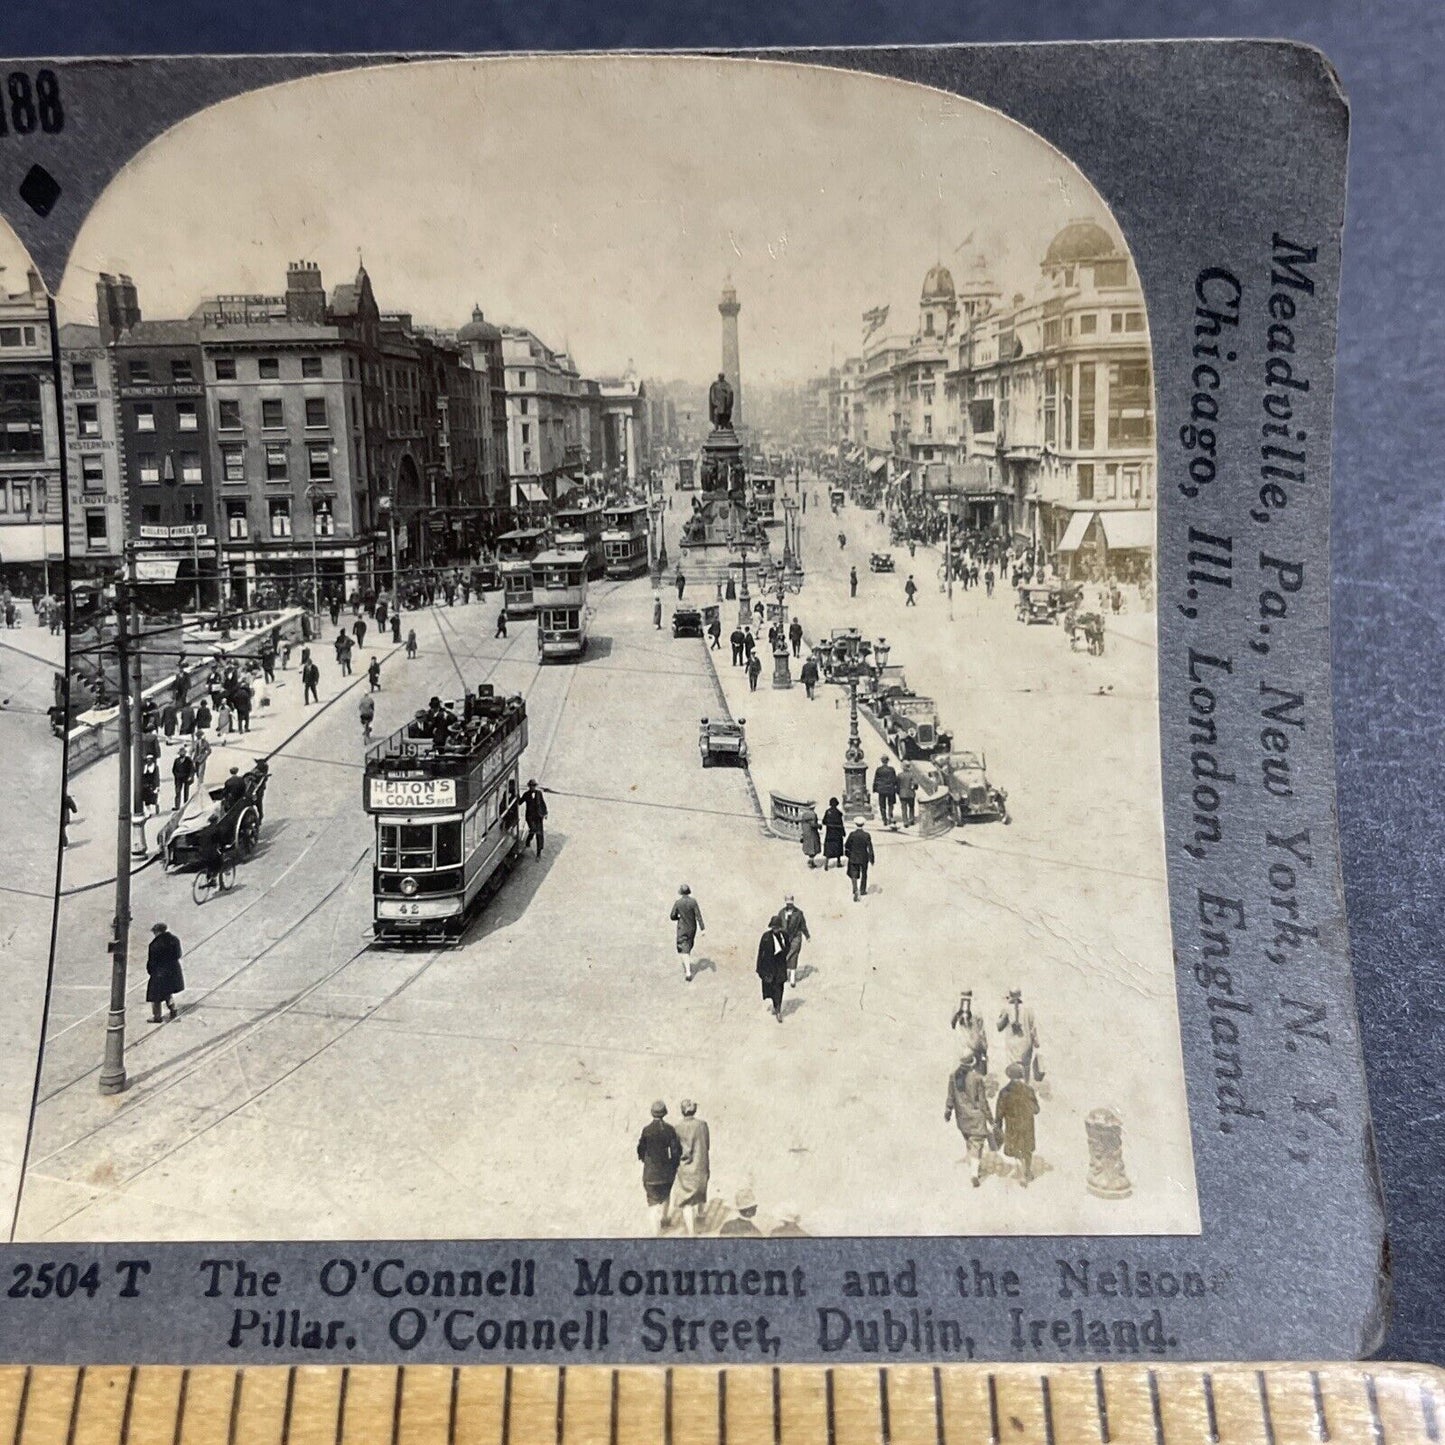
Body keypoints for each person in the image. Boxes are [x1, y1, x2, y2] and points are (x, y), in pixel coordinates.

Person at [944, 1053, 993, 1188]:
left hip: (962, 1118)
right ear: (973, 1064)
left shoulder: (953, 1076)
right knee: (977, 1144)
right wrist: (990, 1119)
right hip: (977, 1117)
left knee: (969, 1141)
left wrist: (948, 1111)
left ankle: (974, 1165)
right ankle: (974, 1174)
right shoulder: (977, 1078)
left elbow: (950, 1097)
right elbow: (983, 1102)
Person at [637, 1101, 682, 1235]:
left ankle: (655, 1233)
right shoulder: (669, 1129)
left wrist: (644, 1159)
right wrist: (674, 1165)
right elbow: (675, 1151)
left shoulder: (647, 1130)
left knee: (652, 1202)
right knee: (666, 1195)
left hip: (650, 1173)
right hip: (666, 1172)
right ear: (665, 1113)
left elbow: (640, 1149)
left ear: (652, 1113)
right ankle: (664, 1218)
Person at [996, 1062, 1040, 1186]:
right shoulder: (1029, 1090)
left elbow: (998, 1114)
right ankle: (1027, 1171)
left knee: (1016, 1149)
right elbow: (1036, 1110)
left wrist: (997, 1128)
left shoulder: (1004, 1092)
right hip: (1027, 1125)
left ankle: (1022, 1173)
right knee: (1027, 1149)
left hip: (1012, 1126)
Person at [671, 1100, 711, 1235]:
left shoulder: (677, 1128)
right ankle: (701, 1215)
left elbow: (675, 1150)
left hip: (685, 1168)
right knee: (700, 1191)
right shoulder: (702, 1125)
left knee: (687, 1201)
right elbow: (707, 1144)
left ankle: (691, 1233)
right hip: (700, 1164)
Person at [998, 990, 1044, 1081]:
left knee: (1013, 1071)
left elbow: (999, 1027)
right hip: (1026, 1045)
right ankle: (1025, 1091)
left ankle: (1013, 1091)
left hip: (1012, 1046)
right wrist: (1036, 1042)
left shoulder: (1006, 1009)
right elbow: (1033, 1029)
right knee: (1026, 1071)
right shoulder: (1029, 1009)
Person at [145, 922, 185, 1024]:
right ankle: (173, 1009)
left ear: (157, 931)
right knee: (167, 992)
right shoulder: (174, 940)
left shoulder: (154, 945)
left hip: (159, 972)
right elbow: (178, 954)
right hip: (173, 970)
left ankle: (157, 1016)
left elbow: (152, 961)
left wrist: (150, 970)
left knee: (155, 996)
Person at [756, 913, 789, 1022]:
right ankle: (776, 1005)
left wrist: (784, 952)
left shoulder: (784, 935)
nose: (776, 929)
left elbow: (788, 947)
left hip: (780, 966)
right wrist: (759, 968)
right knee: (771, 987)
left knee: (779, 988)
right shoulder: (766, 937)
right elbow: (761, 953)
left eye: (777, 927)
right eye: (774, 928)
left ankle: (778, 1010)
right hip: (769, 966)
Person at [669, 883, 704, 983]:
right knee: (688, 946)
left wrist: (678, 918)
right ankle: (687, 961)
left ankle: (688, 972)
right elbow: (698, 915)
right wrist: (702, 928)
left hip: (682, 928)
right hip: (692, 928)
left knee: (683, 949)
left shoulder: (678, 903)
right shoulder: (693, 902)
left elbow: (672, 916)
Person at [951, 991, 989, 1073]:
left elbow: (952, 1024)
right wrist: (984, 1051)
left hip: (960, 1051)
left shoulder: (956, 1006)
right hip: (974, 1052)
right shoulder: (977, 1008)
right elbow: (981, 1033)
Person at [778, 894, 810, 988]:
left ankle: (792, 979)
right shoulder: (781, 913)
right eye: (788, 903)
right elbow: (778, 925)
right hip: (784, 937)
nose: (789, 905)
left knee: (794, 954)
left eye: (790, 903)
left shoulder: (799, 913)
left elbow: (803, 925)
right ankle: (784, 975)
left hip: (796, 936)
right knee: (783, 954)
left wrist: (807, 936)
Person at [844, 816, 875, 901]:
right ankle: (862, 890)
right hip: (863, 857)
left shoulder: (852, 835)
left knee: (853, 873)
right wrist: (872, 858)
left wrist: (848, 853)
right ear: (863, 824)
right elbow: (870, 848)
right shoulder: (866, 835)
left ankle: (855, 889)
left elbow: (846, 845)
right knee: (864, 874)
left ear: (855, 824)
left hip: (853, 857)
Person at [522, 779, 548, 858]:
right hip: (530, 817)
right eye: (531, 786)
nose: (532, 787)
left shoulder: (539, 793)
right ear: (529, 786)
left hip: (538, 816)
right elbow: (520, 802)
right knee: (533, 829)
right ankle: (528, 840)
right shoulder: (526, 794)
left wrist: (545, 812)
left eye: (534, 786)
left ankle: (538, 852)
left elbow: (542, 803)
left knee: (539, 834)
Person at [872, 756, 899, 825]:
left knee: (882, 805)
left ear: (882, 761)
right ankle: (890, 816)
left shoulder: (879, 769)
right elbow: (894, 779)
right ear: (887, 761)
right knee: (890, 804)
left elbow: (876, 779)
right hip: (890, 789)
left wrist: (874, 788)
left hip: (882, 789)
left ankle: (884, 819)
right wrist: (896, 787)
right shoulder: (891, 769)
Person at [822, 797, 845, 870]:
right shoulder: (838, 813)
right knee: (838, 848)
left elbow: (824, 822)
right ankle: (838, 862)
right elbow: (841, 824)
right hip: (837, 834)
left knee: (829, 849)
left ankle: (826, 863)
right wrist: (843, 832)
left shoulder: (827, 812)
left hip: (829, 833)